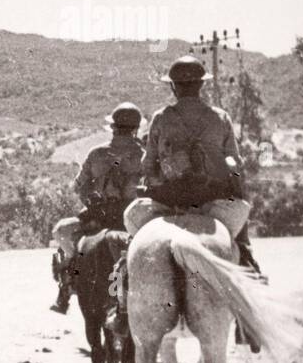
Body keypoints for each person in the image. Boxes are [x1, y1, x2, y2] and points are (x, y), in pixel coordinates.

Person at [122, 54, 259, 275]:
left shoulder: (160, 118)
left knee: (131, 220)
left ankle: (124, 275)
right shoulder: (221, 117)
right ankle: (248, 263)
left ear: (174, 87)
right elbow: (235, 163)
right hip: (213, 200)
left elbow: (147, 166)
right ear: (201, 85)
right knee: (240, 233)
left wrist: (159, 180)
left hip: (169, 200)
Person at [49, 103, 145, 314]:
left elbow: (78, 186)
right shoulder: (144, 155)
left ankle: (66, 288)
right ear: (136, 128)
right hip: (134, 217)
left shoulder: (96, 153)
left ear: (112, 127)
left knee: (62, 232)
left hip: (98, 216)